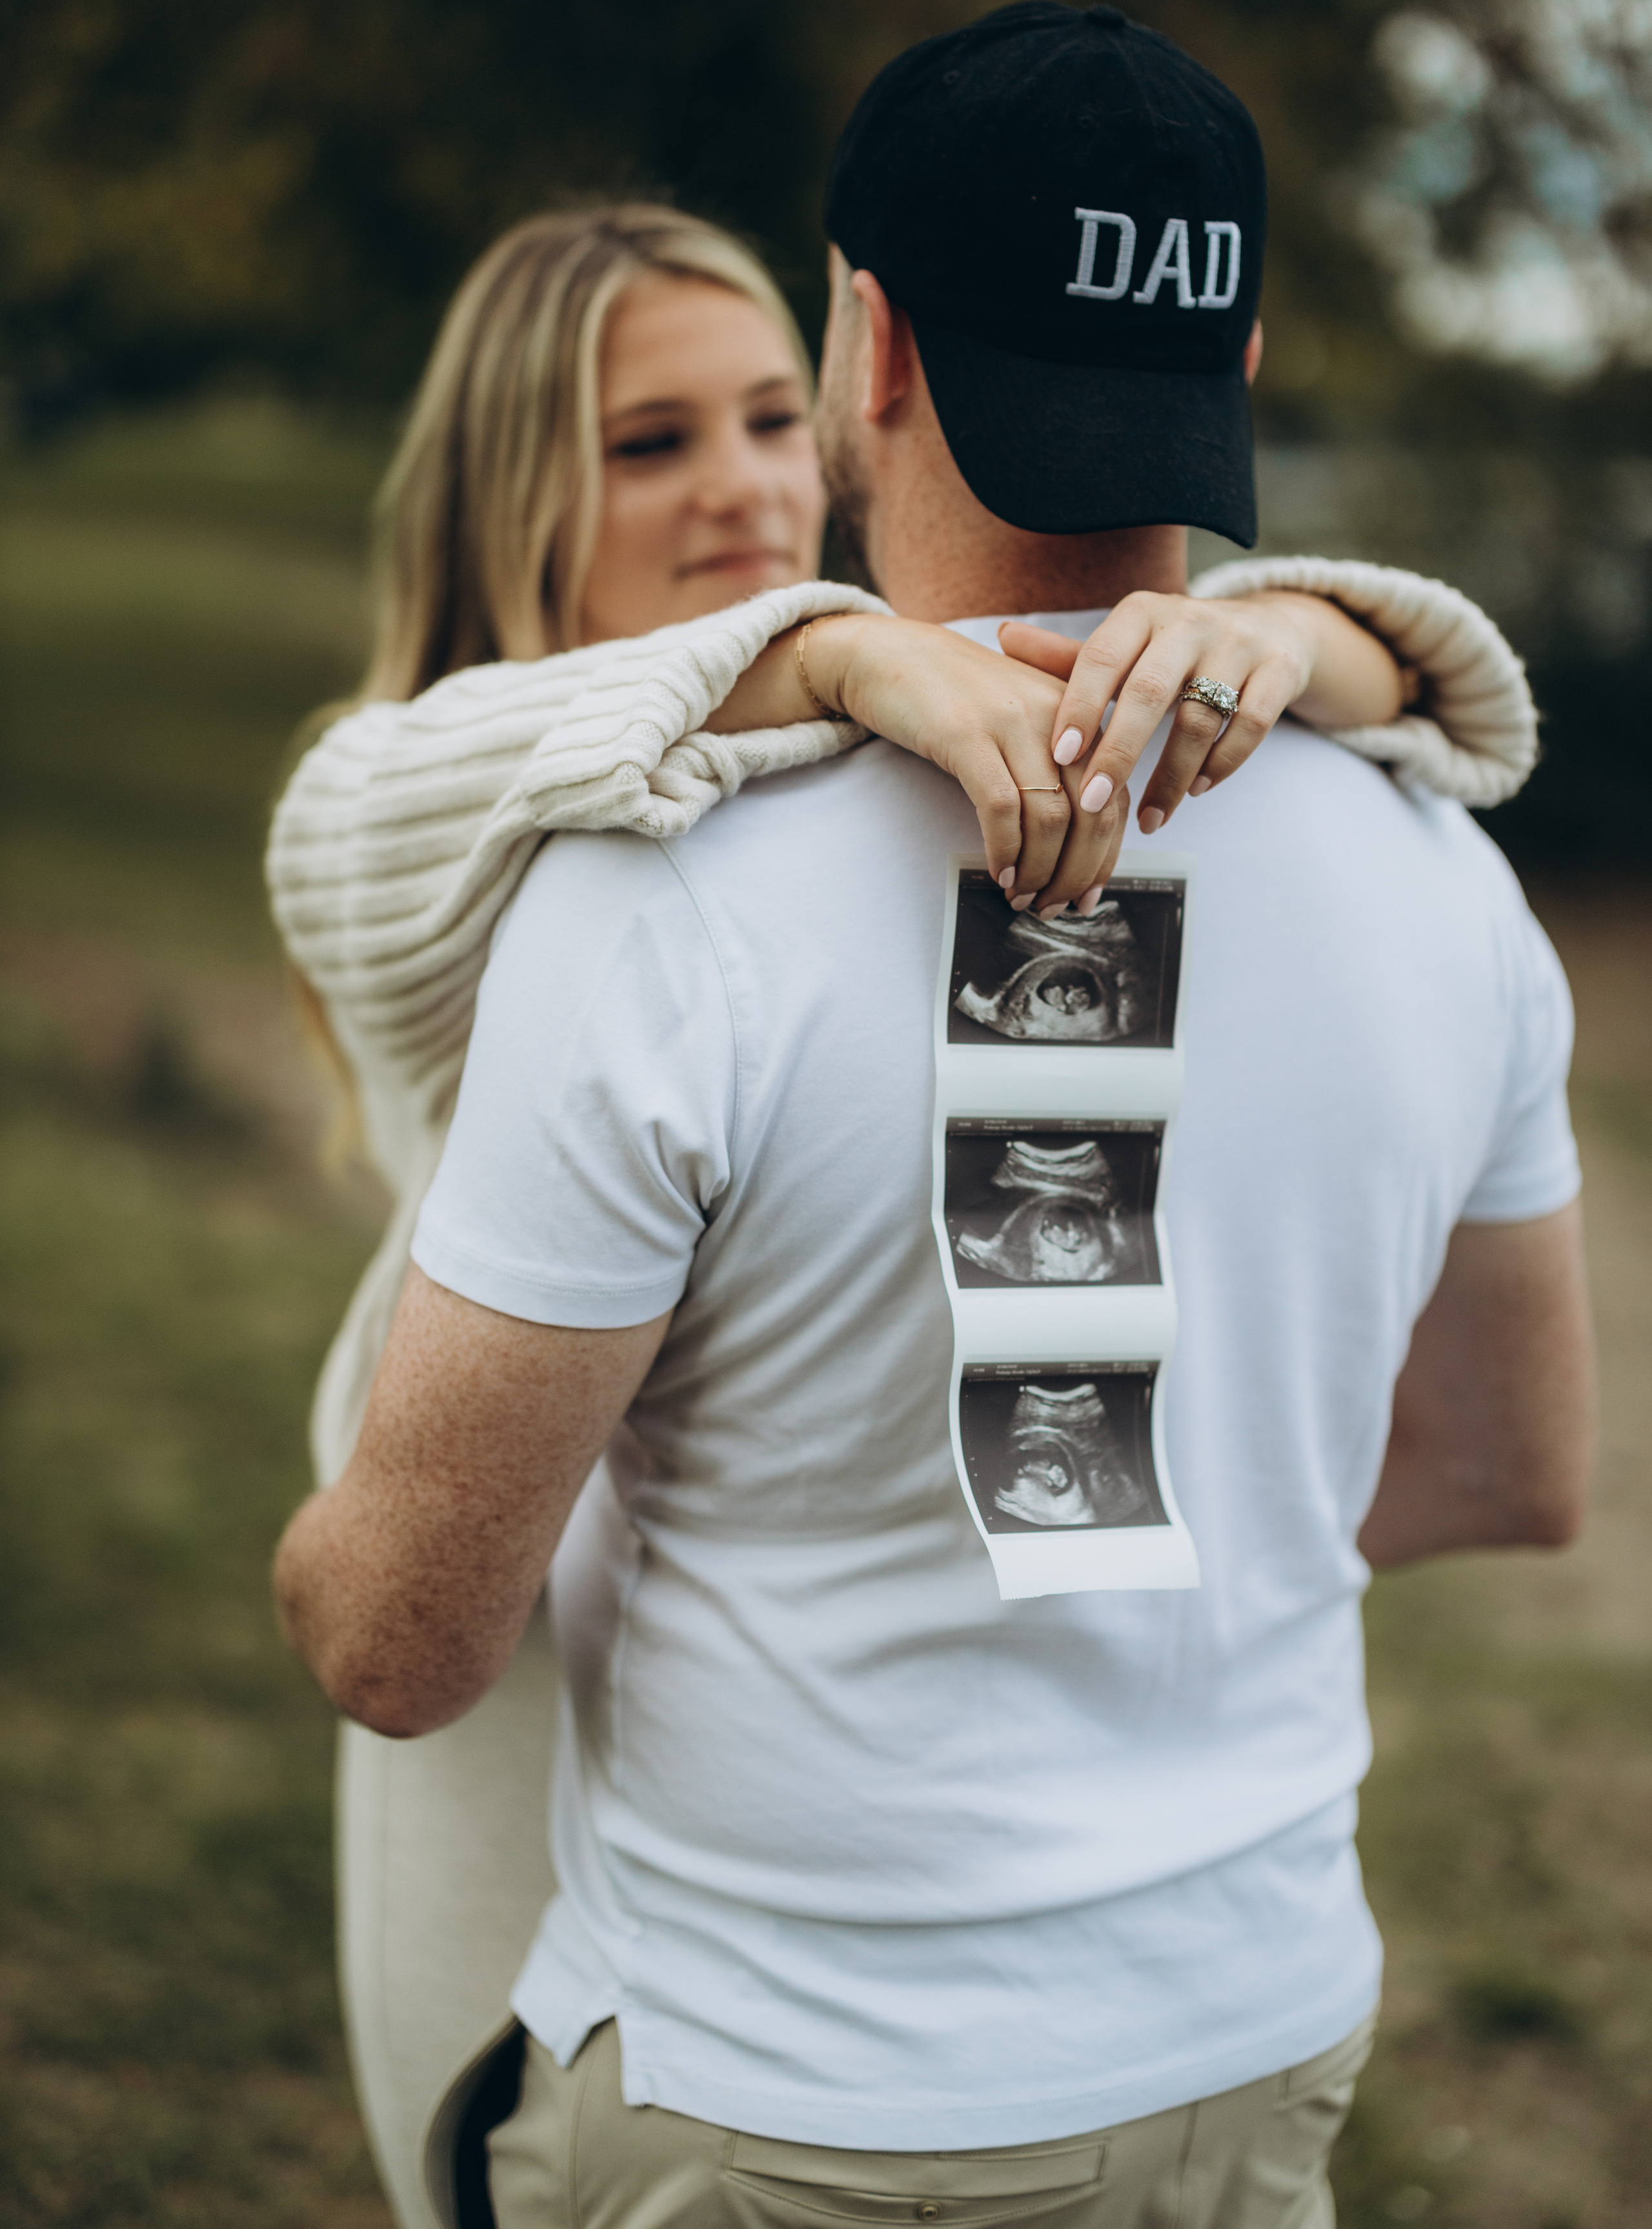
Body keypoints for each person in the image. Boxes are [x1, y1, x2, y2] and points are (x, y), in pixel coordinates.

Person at [269, 150, 1549, 2228]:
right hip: (524, 1770)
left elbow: (1441, 708)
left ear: (864, 368)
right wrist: (837, 665)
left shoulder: (801, 850)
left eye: (775, 419)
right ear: (509, 496)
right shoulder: (477, 812)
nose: (749, 496)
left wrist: (1319, 640)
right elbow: (366, 808)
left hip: (770, 1909)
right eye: (650, 442)